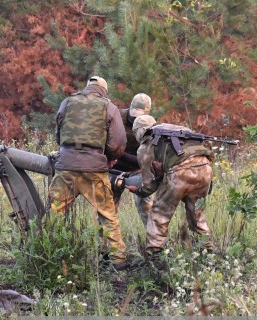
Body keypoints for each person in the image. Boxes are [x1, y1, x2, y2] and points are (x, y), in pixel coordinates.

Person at [48, 76, 131, 270]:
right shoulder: (109, 107)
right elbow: (119, 142)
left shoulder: (67, 102)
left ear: (87, 88)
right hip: (94, 168)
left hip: (66, 165)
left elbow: (58, 134)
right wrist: (109, 157)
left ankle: (50, 254)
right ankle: (118, 260)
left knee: (55, 212)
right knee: (107, 213)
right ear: (103, 90)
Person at [126, 115, 214, 256]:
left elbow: (149, 185)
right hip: (205, 167)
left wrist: (138, 191)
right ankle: (207, 250)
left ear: (138, 131)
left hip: (180, 172)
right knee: (197, 213)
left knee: (159, 213)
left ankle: (155, 253)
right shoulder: (175, 130)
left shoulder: (146, 146)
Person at [111, 93, 154, 226]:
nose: (135, 118)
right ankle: (105, 244)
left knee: (145, 205)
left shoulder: (150, 125)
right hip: (114, 169)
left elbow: (146, 159)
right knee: (107, 208)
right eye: (133, 114)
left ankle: (156, 241)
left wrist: (120, 154)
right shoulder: (116, 117)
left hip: (137, 170)